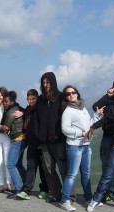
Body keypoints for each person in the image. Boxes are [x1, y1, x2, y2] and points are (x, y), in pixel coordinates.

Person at [31, 72, 76, 203]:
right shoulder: (40, 99)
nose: (45, 85)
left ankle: (70, 195)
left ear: (53, 82)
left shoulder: (61, 97)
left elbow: (68, 115)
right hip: (44, 141)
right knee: (48, 169)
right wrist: (38, 134)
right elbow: (35, 119)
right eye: (43, 83)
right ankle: (56, 194)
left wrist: (60, 134)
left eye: (48, 82)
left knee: (64, 169)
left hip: (59, 140)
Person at [59, 85, 103, 211]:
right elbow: (65, 129)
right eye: (68, 94)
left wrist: (96, 115)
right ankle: (65, 201)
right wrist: (81, 133)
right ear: (66, 97)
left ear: (77, 93)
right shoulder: (68, 111)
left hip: (85, 146)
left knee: (86, 173)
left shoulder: (82, 108)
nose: (71, 94)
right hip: (74, 146)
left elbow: (88, 124)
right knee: (72, 174)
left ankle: (89, 198)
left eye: (73, 92)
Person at [16, 89, 49, 200]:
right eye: (29, 99)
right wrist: (23, 113)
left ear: (37, 98)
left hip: (42, 143)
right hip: (31, 143)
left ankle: (44, 190)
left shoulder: (40, 108)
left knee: (43, 168)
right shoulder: (28, 110)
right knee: (31, 166)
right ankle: (26, 191)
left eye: (33, 99)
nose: (31, 101)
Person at [2, 90, 26, 199]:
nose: (4, 103)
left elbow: (6, 127)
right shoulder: (18, 108)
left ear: (11, 102)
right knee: (18, 164)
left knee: (11, 164)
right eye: (4, 101)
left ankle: (18, 189)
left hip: (17, 139)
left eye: (6, 101)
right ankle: (27, 185)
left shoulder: (10, 113)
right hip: (23, 138)